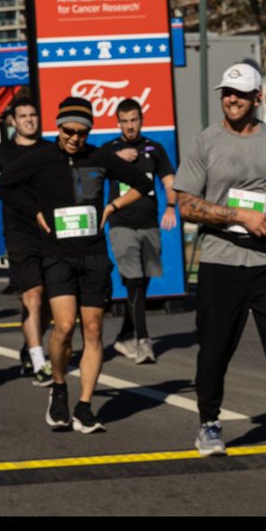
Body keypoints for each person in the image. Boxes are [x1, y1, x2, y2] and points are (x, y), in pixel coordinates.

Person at [172, 63, 266, 470]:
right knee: (215, 350)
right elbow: (185, 204)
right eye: (226, 92)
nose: (231, 99)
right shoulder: (205, 142)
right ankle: (209, 423)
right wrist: (238, 216)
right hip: (221, 259)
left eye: (239, 93)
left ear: (257, 98)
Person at [0, 96, 152, 433]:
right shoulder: (40, 157)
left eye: (81, 133)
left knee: (93, 330)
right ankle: (60, 388)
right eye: (68, 131)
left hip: (94, 255)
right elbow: (1, 185)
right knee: (64, 327)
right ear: (58, 126)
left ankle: (84, 406)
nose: (74, 138)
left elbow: (143, 183)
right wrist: (34, 210)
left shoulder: (100, 156)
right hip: (57, 254)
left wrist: (112, 207)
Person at [0, 94, 52, 385]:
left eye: (33, 115)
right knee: (33, 295)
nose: (29, 120)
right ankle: (39, 361)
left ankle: (31, 347)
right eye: (23, 116)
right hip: (19, 233)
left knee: (49, 302)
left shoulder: (50, 149)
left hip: (50, 232)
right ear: (13, 121)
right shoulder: (1, 152)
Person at [106, 98, 177, 364]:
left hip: (149, 224)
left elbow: (169, 180)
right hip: (121, 224)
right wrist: (115, 158)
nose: (129, 126)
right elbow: (89, 168)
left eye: (134, 120)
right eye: (124, 121)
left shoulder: (154, 149)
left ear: (141, 120)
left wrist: (171, 206)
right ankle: (143, 341)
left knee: (142, 284)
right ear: (118, 123)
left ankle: (125, 334)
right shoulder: (109, 150)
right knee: (134, 281)